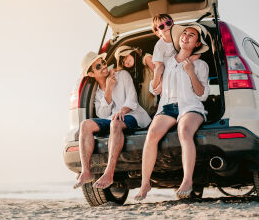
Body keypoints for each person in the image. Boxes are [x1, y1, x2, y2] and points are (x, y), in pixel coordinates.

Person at [134, 22, 210, 200]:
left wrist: (190, 71)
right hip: (167, 107)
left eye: (191, 35)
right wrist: (157, 73)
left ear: (197, 44)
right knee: (151, 134)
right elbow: (155, 90)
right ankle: (145, 183)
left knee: (184, 131)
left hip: (190, 106)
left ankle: (187, 180)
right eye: (184, 33)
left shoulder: (201, 65)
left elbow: (203, 95)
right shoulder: (167, 61)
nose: (185, 36)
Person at [74, 51, 152, 189]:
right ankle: (86, 172)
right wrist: (108, 88)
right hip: (112, 119)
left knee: (115, 123)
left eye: (103, 63)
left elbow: (132, 100)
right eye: (98, 66)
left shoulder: (122, 75)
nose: (103, 66)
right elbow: (103, 114)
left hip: (133, 115)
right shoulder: (97, 92)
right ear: (91, 74)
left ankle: (109, 173)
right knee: (85, 125)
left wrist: (122, 111)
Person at [114, 45, 157, 116]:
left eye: (126, 57)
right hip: (145, 113)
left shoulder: (146, 59)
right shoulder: (130, 74)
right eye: (123, 62)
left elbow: (161, 77)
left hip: (157, 106)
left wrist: (160, 100)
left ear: (131, 53)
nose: (126, 62)